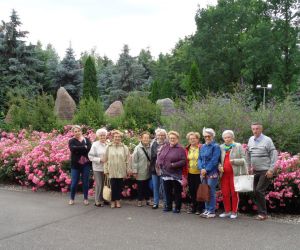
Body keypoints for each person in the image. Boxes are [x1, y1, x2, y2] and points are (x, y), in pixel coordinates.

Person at [247, 122, 277, 220]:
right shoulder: (251, 139)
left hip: (265, 170)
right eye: (253, 129)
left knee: (259, 190)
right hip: (255, 170)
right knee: (253, 191)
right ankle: (261, 212)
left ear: (261, 129)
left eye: (257, 129)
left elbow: (273, 154)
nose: (255, 131)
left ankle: (263, 214)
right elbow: (248, 154)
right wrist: (248, 167)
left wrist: (271, 169)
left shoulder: (267, 140)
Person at [218, 130, 247, 219]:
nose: (227, 139)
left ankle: (234, 212)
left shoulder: (238, 146)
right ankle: (227, 211)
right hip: (224, 175)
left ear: (232, 137)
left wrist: (234, 161)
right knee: (225, 193)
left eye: (229, 137)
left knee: (234, 193)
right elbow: (218, 160)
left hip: (235, 174)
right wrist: (219, 166)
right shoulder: (221, 147)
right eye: (225, 138)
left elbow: (244, 159)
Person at [157, 131, 187, 213]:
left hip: (176, 174)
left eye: (174, 138)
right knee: (167, 191)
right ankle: (169, 206)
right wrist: (159, 162)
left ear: (177, 139)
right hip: (166, 173)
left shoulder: (181, 149)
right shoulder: (165, 147)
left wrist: (173, 164)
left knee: (177, 191)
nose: (172, 139)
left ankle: (177, 207)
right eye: (170, 138)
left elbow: (184, 161)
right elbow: (160, 156)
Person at [104, 130, 131, 208]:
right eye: (116, 137)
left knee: (119, 187)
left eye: (119, 137)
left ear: (121, 138)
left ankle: (118, 201)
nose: (117, 138)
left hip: (121, 170)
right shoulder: (108, 147)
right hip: (111, 170)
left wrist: (128, 170)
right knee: (113, 186)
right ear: (113, 137)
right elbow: (105, 159)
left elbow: (128, 160)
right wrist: (106, 170)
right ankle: (112, 201)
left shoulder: (124, 147)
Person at [198, 128, 221, 218]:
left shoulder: (216, 146)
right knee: (205, 190)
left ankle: (211, 211)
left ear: (212, 136)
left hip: (212, 172)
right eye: (205, 136)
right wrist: (201, 168)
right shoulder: (202, 146)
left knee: (210, 191)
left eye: (209, 136)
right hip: (203, 172)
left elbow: (214, 160)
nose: (207, 137)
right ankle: (206, 209)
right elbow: (199, 159)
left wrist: (206, 169)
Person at [68, 125, 92, 205]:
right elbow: (72, 149)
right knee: (74, 182)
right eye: (75, 131)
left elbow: (89, 149)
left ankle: (85, 198)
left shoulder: (87, 140)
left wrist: (78, 148)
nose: (77, 132)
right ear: (73, 132)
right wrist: (83, 147)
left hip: (86, 164)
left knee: (85, 182)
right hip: (75, 165)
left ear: (81, 131)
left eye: (78, 131)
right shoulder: (71, 141)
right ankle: (72, 198)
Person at [88, 128, 108, 207]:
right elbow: (90, 156)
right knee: (99, 184)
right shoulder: (95, 144)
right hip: (97, 168)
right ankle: (97, 201)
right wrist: (100, 159)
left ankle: (105, 198)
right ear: (98, 136)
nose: (102, 137)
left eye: (104, 135)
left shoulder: (108, 143)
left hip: (106, 168)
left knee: (105, 184)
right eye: (101, 135)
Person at [185, 132, 203, 215]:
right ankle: (194, 207)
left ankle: (200, 208)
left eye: (194, 138)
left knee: (199, 190)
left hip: (199, 173)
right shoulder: (187, 148)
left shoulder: (201, 148)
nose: (192, 140)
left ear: (198, 139)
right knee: (192, 190)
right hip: (190, 172)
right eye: (190, 139)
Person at [132, 132, 151, 207]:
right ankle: (139, 200)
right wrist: (135, 171)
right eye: (144, 138)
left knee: (146, 186)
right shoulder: (137, 148)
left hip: (147, 171)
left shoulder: (150, 147)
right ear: (141, 138)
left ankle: (147, 199)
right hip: (140, 171)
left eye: (147, 138)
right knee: (140, 186)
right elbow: (134, 161)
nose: (146, 139)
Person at [150, 128, 168, 209]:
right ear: (156, 136)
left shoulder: (167, 144)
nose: (160, 136)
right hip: (155, 168)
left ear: (165, 136)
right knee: (155, 186)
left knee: (164, 187)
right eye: (159, 135)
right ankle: (155, 202)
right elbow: (153, 155)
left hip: (164, 169)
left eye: (162, 135)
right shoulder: (153, 143)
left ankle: (166, 203)